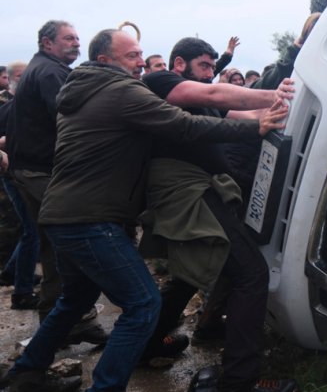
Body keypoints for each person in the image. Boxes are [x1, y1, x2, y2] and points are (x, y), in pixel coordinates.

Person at [1, 28, 288, 392]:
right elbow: (182, 124)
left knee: (74, 300)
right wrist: (256, 128)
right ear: (105, 61)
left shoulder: (83, 90)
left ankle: (27, 372)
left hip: (64, 214)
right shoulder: (119, 90)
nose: (141, 62)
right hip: (91, 219)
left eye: (140, 55)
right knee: (142, 304)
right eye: (133, 56)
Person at [141, 37, 297, 391]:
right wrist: (276, 95)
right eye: (206, 67)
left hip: (205, 189)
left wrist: (289, 105)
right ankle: (241, 381)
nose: (213, 74)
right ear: (180, 64)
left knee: (191, 274)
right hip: (188, 191)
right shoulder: (161, 82)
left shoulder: (203, 99)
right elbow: (215, 96)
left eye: (214, 66)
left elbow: (248, 114)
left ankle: (146, 344)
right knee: (251, 274)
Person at [4, 20, 108, 344]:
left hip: (32, 172)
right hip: (42, 173)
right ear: (47, 43)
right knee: (75, 245)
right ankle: (72, 322)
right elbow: (72, 117)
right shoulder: (50, 73)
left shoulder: (43, 69)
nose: (76, 43)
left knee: (55, 249)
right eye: (68, 38)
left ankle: (58, 326)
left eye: (78, 38)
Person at [0, 59, 40, 309]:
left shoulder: (23, 106)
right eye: (21, 74)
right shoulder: (7, 108)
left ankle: (11, 272)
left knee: (31, 228)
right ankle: (22, 292)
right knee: (33, 231)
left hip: (23, 172)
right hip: (13, 174)